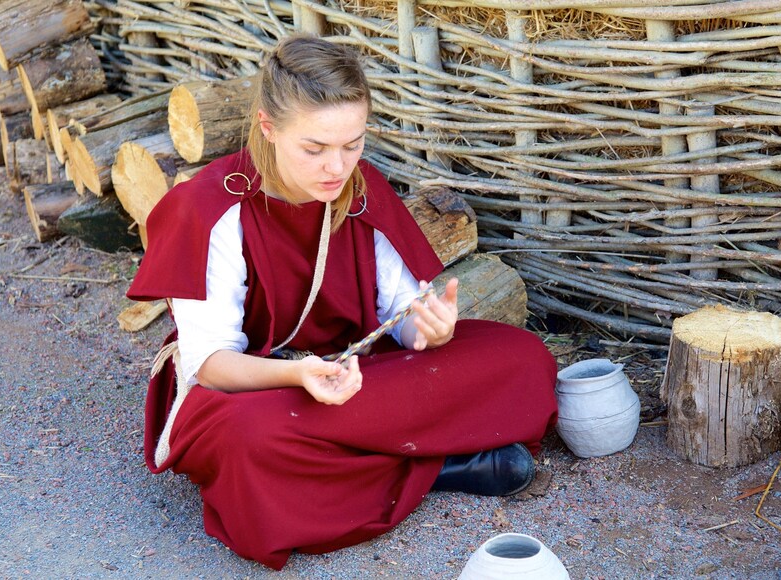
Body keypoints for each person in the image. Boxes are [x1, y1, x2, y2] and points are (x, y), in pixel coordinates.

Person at [126, 35, 558, 571]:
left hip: (358, 373)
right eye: (314, 148)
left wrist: (429, 332)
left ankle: (355, 467)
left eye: (352, 144)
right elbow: (210, 366)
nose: (337, 166)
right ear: (268, 127)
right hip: (257, 388)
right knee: (247, 440)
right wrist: (298, 376)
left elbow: (403, 314)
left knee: (523, 359)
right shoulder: (210, 208)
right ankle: (440, 466)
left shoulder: (359, 188)